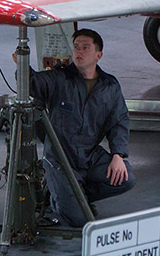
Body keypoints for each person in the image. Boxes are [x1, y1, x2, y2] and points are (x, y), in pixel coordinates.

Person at [28, 28, 132, 226]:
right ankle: (56, 198)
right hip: (60, 159)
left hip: (89, 155)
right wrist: (23, 64)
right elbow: (33, 84)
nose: (79, 52)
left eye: (85, 48)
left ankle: (73, 195)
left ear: (98, 55)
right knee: (77, 220)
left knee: (126, 178)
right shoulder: (59, 79)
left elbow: (119, 120)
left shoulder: (109, 86)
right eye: (76, 47)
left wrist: (118, 154)